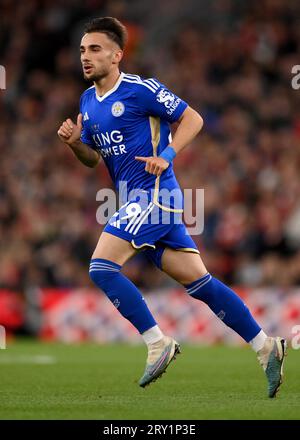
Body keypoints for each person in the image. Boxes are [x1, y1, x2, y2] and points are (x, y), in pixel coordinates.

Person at [57, 17, 287, 397]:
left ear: (117, 55)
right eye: (82, 49)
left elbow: (192, 118)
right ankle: (266, 346)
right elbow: (93, 161)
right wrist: (75, 144)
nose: (85, 56)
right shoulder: (86, 102)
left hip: (155, 195)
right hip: (135, 200)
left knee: (101, 267)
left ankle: (157, 342)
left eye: (95, 49)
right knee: (201, 283)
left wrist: (166, 154)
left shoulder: (140, 89)